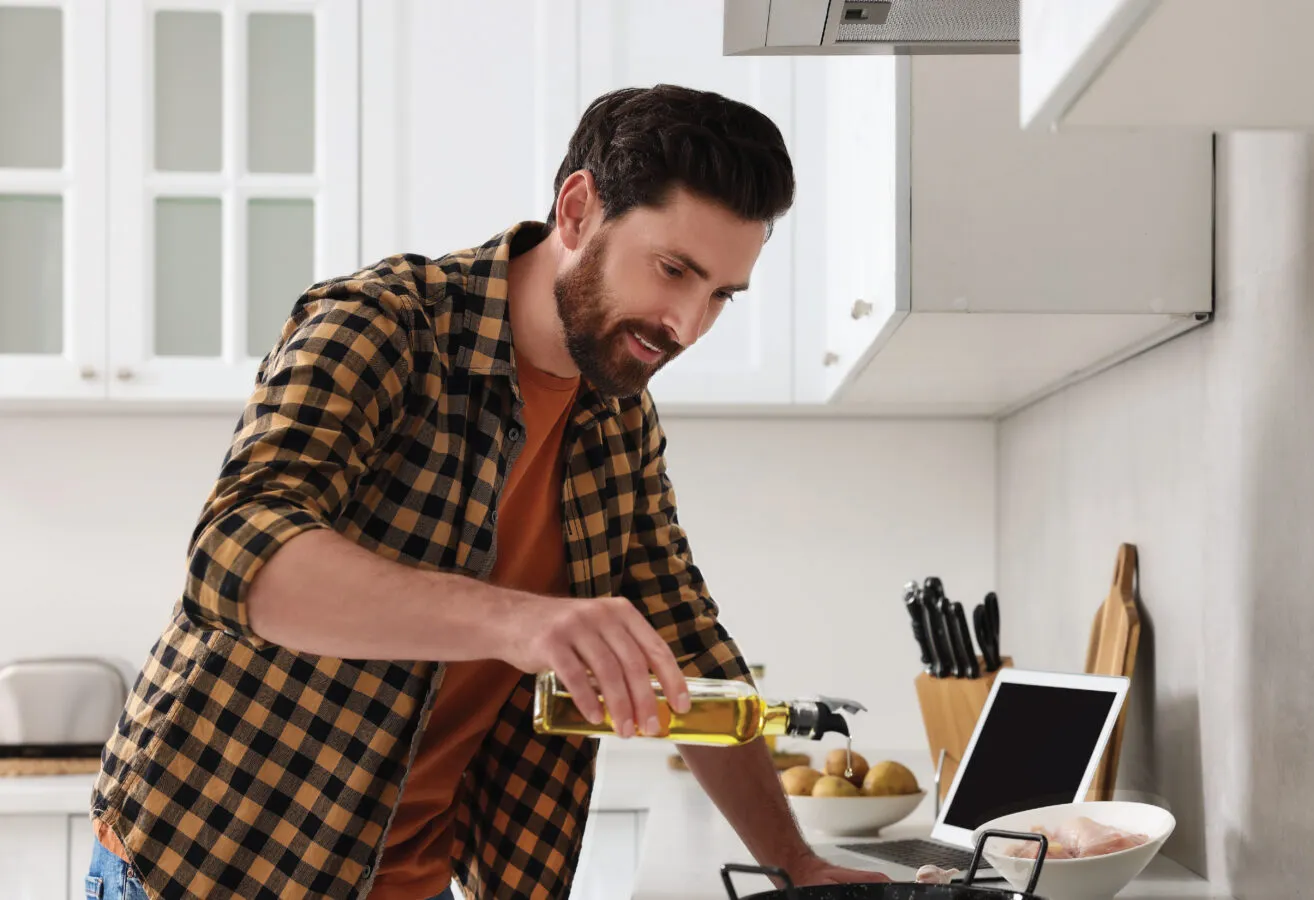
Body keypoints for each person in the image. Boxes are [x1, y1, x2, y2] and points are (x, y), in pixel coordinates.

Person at [86, 84, 890, 899]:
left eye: (720, 295)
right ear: (578, 211)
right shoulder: (384, 324)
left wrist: (796, 865)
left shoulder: (619, 421)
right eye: (673, 269)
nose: (687, 323)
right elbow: (236, 554)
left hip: (412, 880)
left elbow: (688, 645)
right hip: (210, 868)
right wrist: (519, 622)